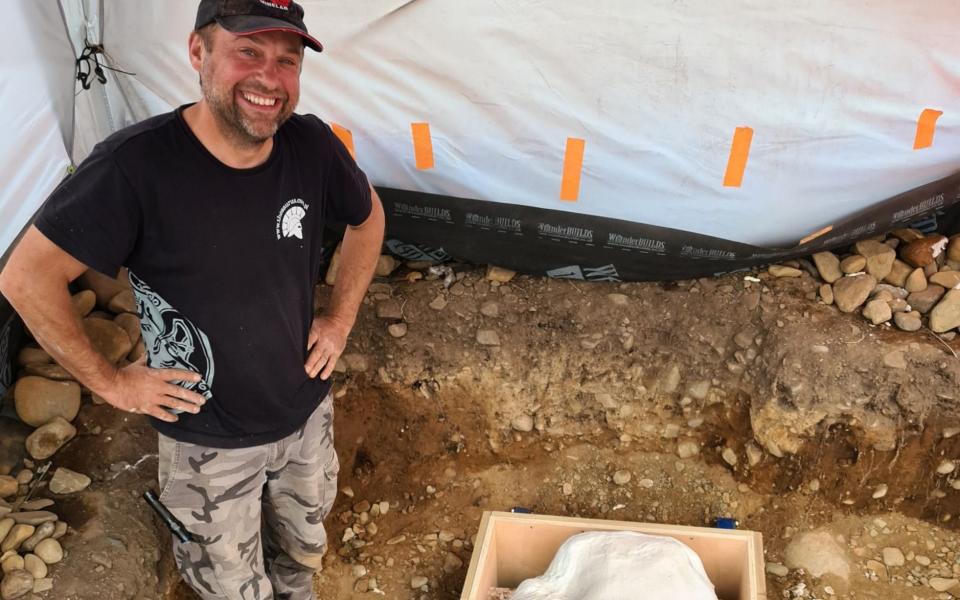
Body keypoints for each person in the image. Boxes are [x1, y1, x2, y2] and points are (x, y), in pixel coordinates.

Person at [0, 0, 384, 597]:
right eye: (247, 52)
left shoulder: (311, 146)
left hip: (305, 414)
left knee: (304, 553)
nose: (269, 78)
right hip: (206, 441)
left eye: (287, 61)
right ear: (199, 52)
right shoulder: (136, 168)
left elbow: (369, 218)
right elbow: (24, 277)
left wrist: (339, 318)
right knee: (231, 586)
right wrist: (112, 383)